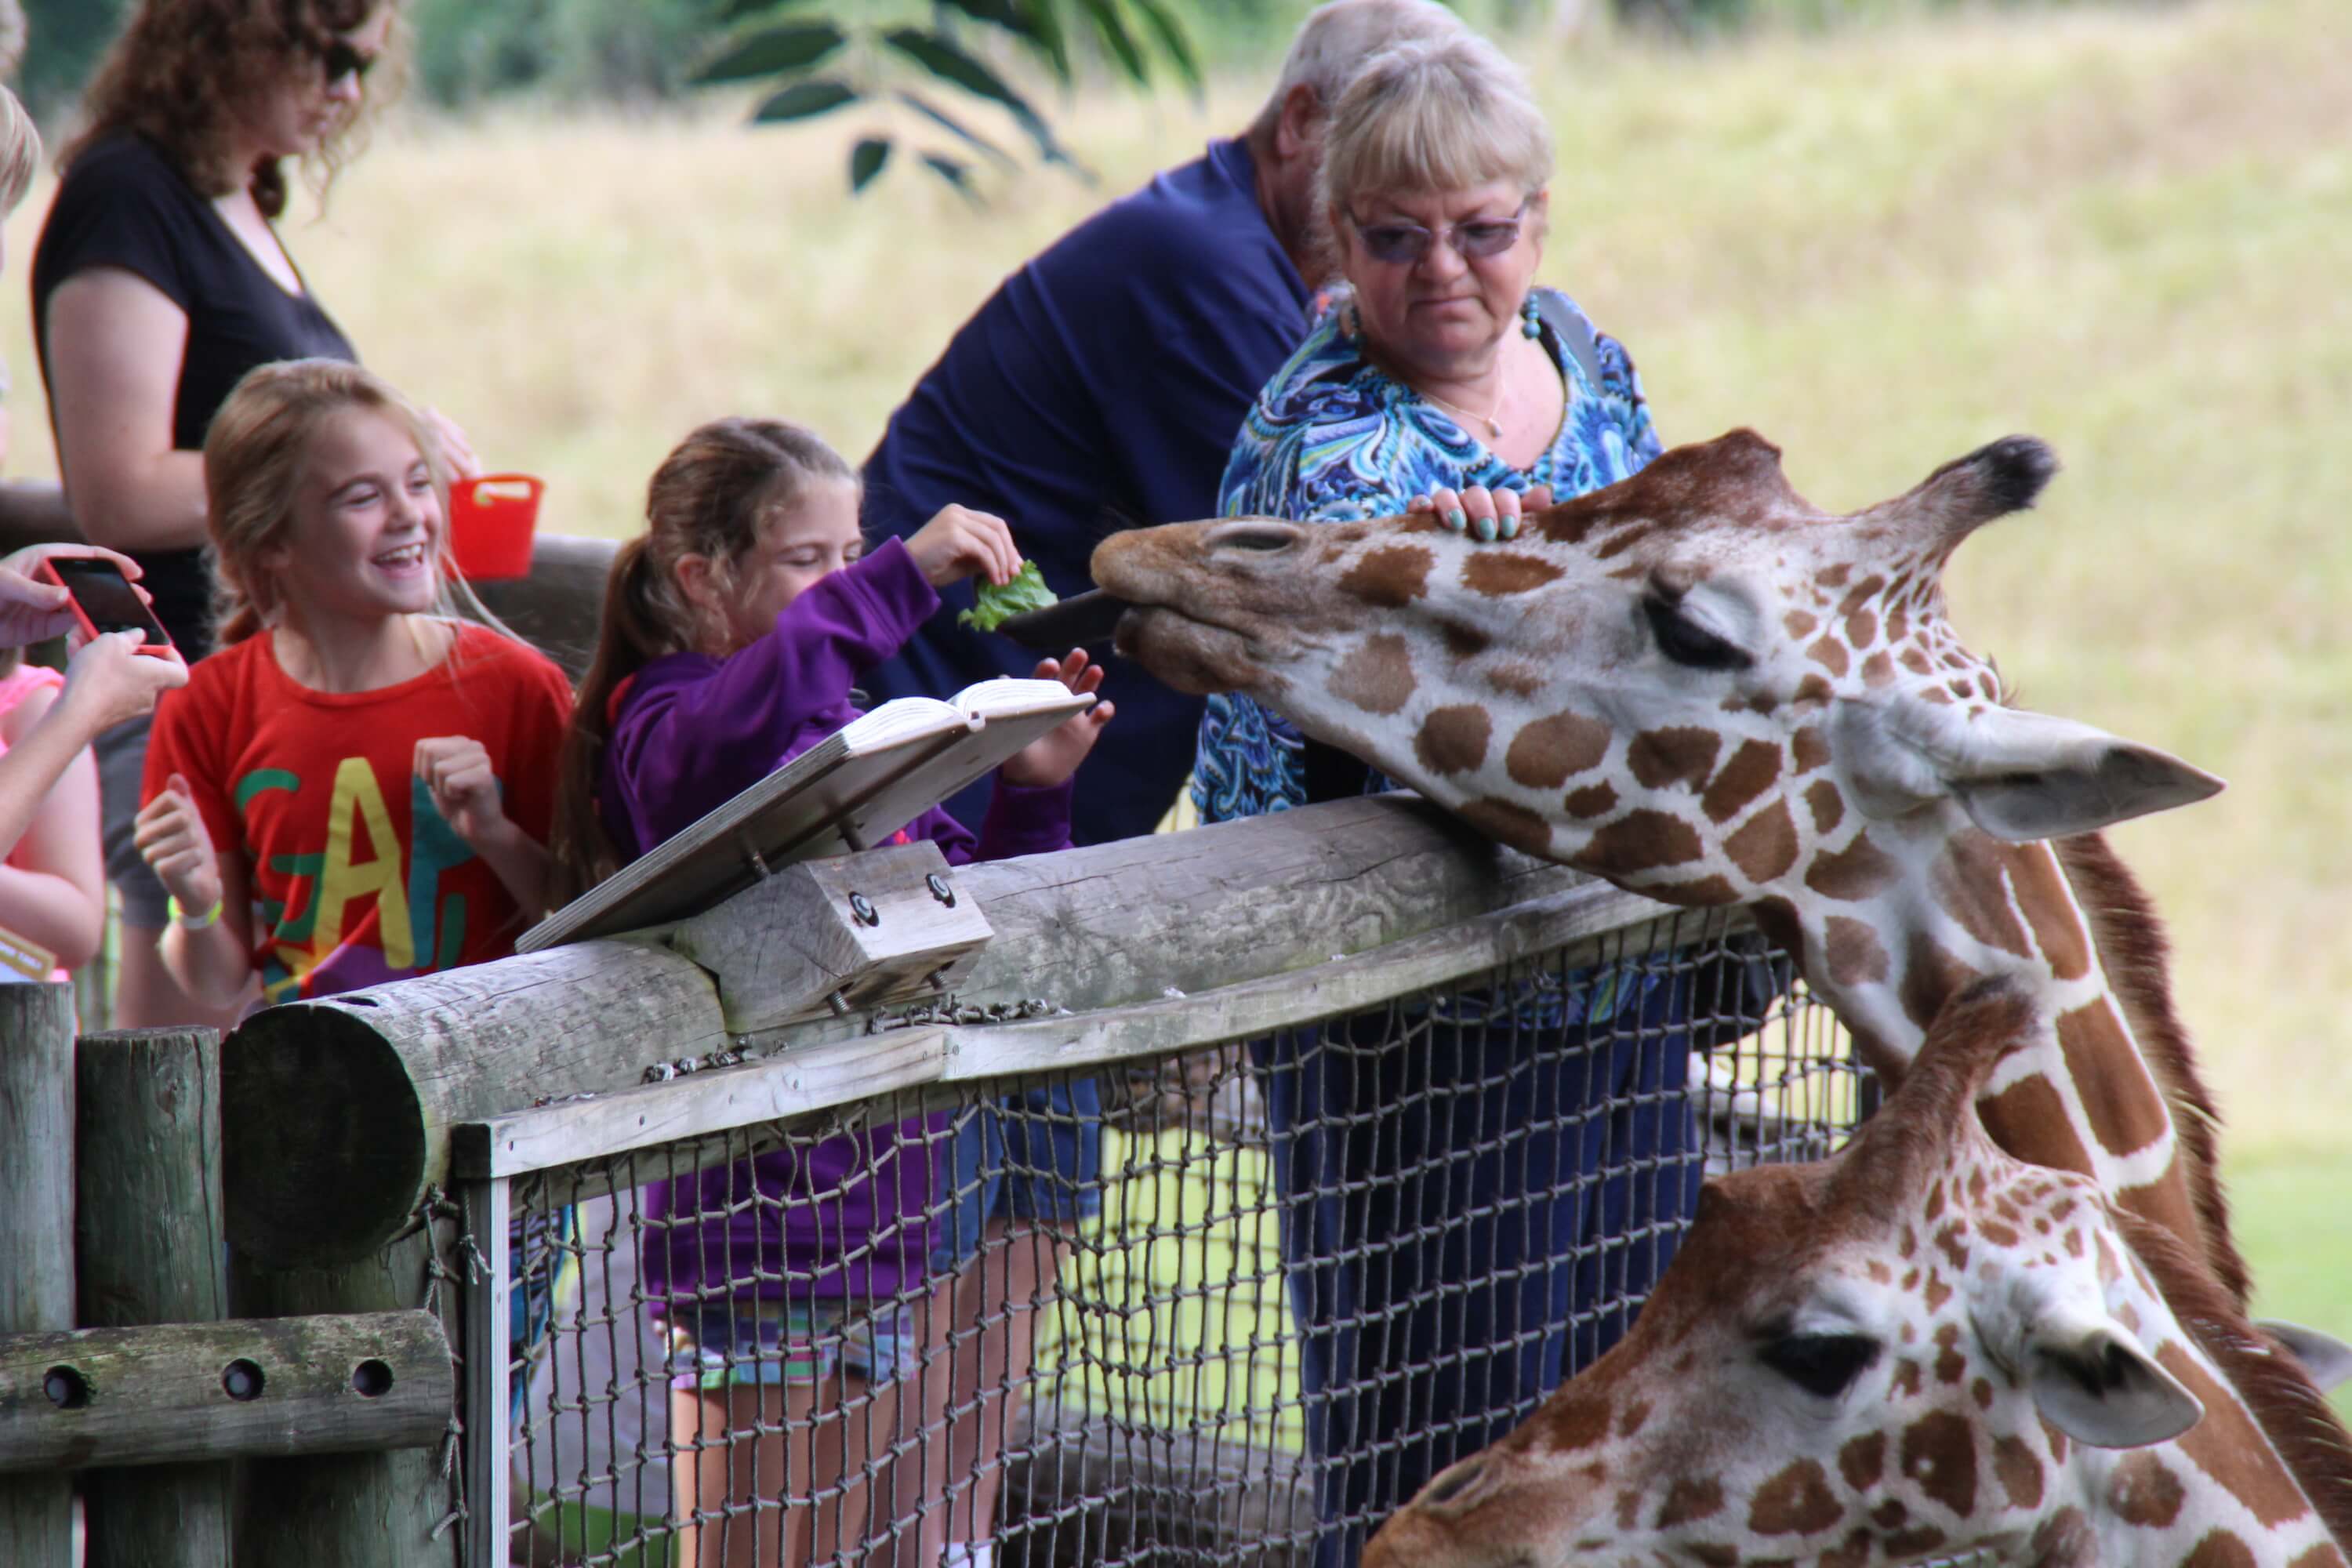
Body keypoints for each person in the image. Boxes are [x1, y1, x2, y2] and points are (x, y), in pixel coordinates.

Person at [1203, 34, 1786, 1568]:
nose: (1445, 271)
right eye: (1397, 238)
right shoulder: (1328, 443)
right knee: (1452, 1454)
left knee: (1632, 1415)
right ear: (1340, 242)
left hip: (1616, 999)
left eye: (1482, 230)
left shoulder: (1586, 358)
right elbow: (1360, 707)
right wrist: (1441, 573)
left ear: (1539, 219)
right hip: (1423, 1037)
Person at [547, 417, 1111, 1568]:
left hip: (887, 1225)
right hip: (758, 1231)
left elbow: (956, 905)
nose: (844, 584)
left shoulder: (847, 732)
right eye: (812, 560)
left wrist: (1032, 792)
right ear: (703, 579)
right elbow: (734, 731)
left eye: (854, 553)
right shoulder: (671, 724)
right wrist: (900, 579)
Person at [33, 0, 477, 1027]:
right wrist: (358, 468)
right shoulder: (129, 195)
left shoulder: (235, 193)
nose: (346, 89)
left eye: (361, 65)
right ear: (224, 33)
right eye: (323, 54)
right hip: (176, 695)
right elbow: (119, 487)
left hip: (278, 700)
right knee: (180, 1077)